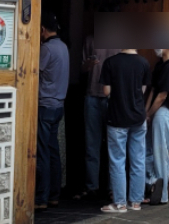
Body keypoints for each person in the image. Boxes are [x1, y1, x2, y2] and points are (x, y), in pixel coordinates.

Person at [98, 47, 151, 212]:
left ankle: (120, 203)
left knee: (117, 161)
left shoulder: (110, 62)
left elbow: (106, 91)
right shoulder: (144, 62)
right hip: (138, 117)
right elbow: (142, 90)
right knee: (138, 159)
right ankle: (136, 202)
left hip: (117, 116)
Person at [35, 12, 70, 211]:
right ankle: (54, 196)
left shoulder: (46, 49)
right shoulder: (64, 47)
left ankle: (41, 198)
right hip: (59, 105)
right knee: (53, 151)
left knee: (42, 153)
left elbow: (35, 71)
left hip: (45, 105)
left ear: (42, 29)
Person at [79, 35, 120, 201]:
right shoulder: (90, 40)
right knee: (91, 145)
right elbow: (82, 68)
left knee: (115, 145)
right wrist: (88, 65)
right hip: (92, 96)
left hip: (114, 97)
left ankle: (113, 187)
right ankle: (92, 187)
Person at [145, 49, 169, 205]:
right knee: (150, 151)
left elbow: (162, 96)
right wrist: (146, 113)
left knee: (160, 153)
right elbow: (153, 90)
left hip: (165, 114)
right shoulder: (160, 65)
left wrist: (148, 113)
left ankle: (161, 194)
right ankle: (153, 185)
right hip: (158, 114)